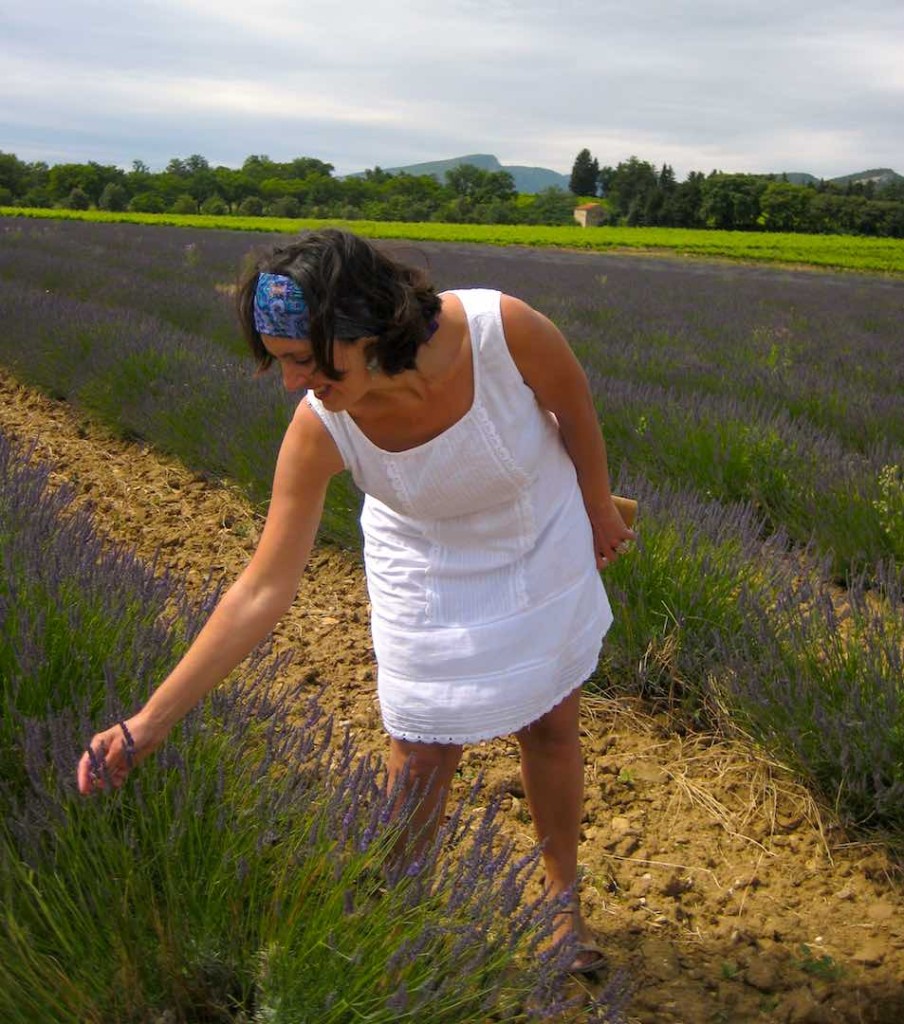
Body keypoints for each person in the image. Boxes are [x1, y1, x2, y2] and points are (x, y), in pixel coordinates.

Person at [77, 228, 636, 973]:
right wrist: (146, 724)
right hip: (423, 555)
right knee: (419, 747)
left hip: (530, 524)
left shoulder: (507, 331)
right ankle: (396, 918)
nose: (291, 383)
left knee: (549, 723)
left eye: (304, 360)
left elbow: (575, 408)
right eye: (279, 363)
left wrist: (597, 507)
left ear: (363, 326)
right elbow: (261, 588)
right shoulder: (321, 429)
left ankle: (563, 911)